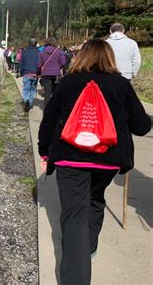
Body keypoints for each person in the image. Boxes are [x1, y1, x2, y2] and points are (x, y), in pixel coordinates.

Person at [38, 39, 151, 285]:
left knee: (74, 213)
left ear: (81, 56)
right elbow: (142, 127)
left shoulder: (67, 83)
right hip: (108, 161)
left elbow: (48, 121)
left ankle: (76, 275)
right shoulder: (121, 85)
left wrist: (45, 152)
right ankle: (88, 249)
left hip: (70, 159)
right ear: (110, 58)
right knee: (95, 199)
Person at [37, 37, 65, 110]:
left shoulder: (42, 52)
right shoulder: (59, 51)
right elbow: (63, 63)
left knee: (47, 94)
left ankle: (46, 111)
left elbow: (39, 65)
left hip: (45, 74)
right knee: (56, 93)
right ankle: (55, 110)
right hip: (56, 74)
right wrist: (58, 67)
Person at [19, 38, 39, 112]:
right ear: (36, 44)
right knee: (33, 89)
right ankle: (30, 102)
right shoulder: (39, 52)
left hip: (26, 73)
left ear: (29, 44)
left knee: (26, 88)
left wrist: (21, 72)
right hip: (35, 73)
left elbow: (21, 63)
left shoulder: (24, 52)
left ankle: (26, 99)